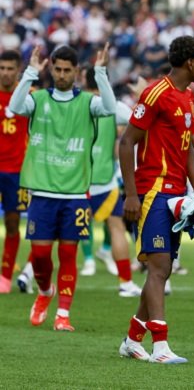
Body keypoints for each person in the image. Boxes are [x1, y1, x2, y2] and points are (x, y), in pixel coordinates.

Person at [118, 36, 194, 363]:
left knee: (165, 268)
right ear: (190, 62)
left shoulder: (187, 97)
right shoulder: (156, 93)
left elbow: (186, 150)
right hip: (153, 190)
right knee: (158, 267)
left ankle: (132, 339)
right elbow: (127, 142)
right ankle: (160, 345)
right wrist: (131, 194)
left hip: (176, 194)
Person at [8, 43, 116, 330]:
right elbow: (14, 107)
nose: (62, 75)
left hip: (76, 195)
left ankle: (63, 315)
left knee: (68, 254)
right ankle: (45, 292)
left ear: (77, 72)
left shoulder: (87, 103)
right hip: (42, 193)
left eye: (68, 70)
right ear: (51, 69)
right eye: (58, 69)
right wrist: (31, 71)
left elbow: (110, 107)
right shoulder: (39, 99)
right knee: (41, 255)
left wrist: (101, 71)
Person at [80, 67, 142, 297]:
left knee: (61, 232)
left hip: (75, 181)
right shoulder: (114, 106)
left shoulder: (77, 102)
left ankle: (32, 275)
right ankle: (125, 282)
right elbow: (139, 118)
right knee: (116, 228)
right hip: (106, 180)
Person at [0, 50, 31, 294]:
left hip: (15, 172)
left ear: (17, 69)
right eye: (2, 68)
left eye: (10, 68)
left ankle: (5, 277)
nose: (5, 73)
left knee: (12, 224)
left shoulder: (27, 97)